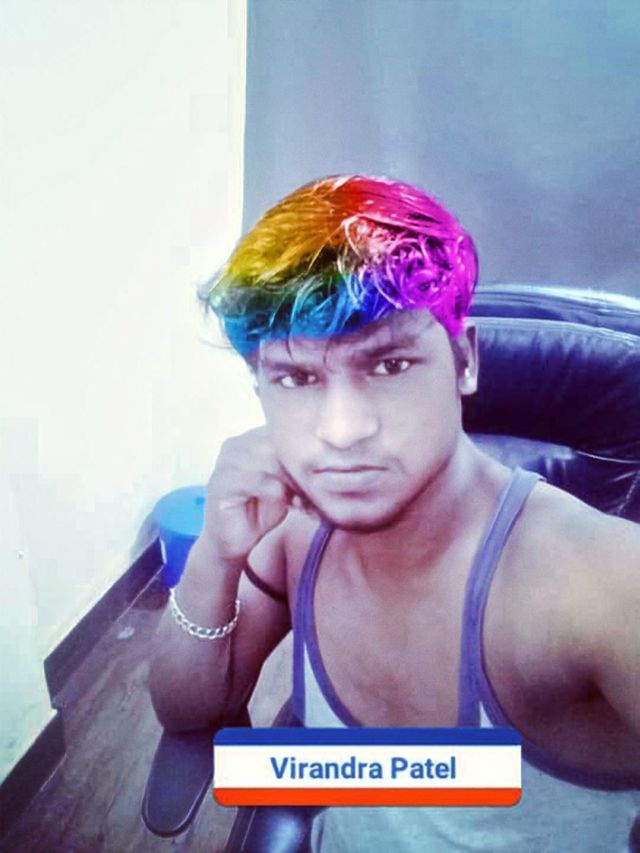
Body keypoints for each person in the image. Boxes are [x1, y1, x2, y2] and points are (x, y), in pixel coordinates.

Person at [149, 175, 640, 851]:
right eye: (297, 377)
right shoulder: (292, 531)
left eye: (389, 365)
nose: (342, 430)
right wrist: (216, 551)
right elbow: (184, 709)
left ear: (464, 360)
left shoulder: (598, 584)